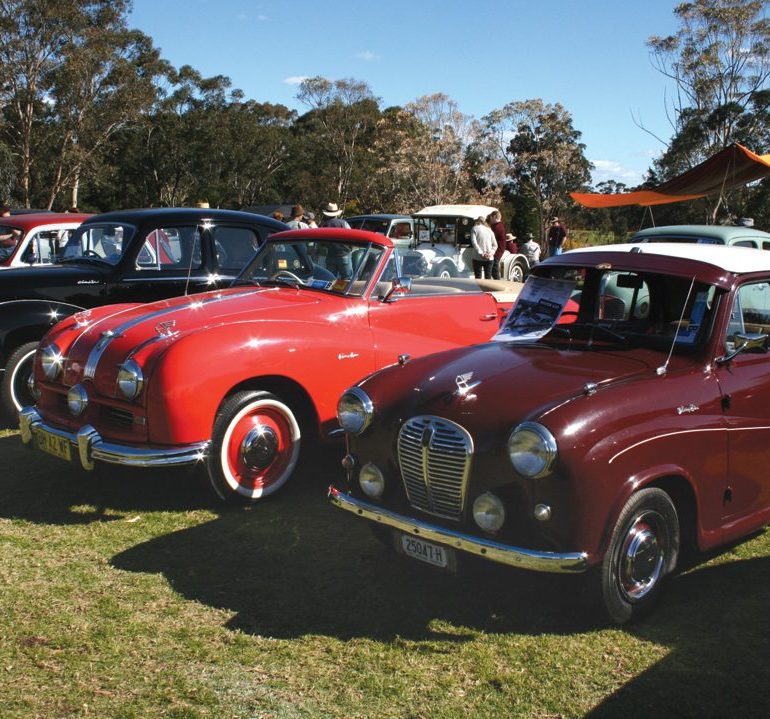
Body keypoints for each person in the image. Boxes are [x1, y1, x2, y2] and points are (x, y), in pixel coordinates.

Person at [320, 202, 352, 278]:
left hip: (330, 255)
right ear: (337, 213)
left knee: (331, 279)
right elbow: (351, 237)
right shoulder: (343, 223)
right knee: (347, 279)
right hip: (343, 255)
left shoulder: (324, 225)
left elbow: (321, 242)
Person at [488, 210, 507, 280]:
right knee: (494, 270)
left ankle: (498, 285)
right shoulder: (500, 226)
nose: (490, 219)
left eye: (491, 217)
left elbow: (490, 239)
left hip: (496, 251)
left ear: (494, 217)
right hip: (499, 250)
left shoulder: (496, 227)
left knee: (494, 271)